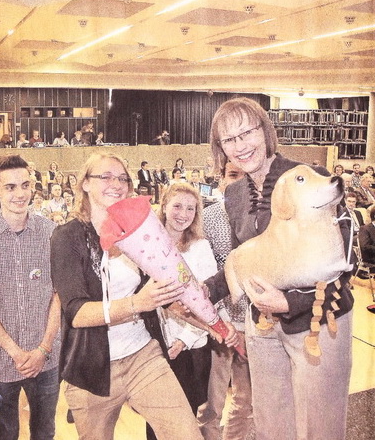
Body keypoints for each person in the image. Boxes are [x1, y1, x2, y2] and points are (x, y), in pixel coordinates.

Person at [206, 97, 353, 440]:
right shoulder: (234, 195)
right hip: (262, 325)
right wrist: (206, 290)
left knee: (320, 427)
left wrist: (290, 302)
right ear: (221, 148)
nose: (241, 146)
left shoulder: (309, 177)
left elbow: (346, 259)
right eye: (230, 139)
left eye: (247, 132)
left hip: (317, 321)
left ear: (265, 130)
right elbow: (245, 258)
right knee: (272, 424)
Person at [50, 152, 206, 440]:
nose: (116, 184)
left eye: (123, 178)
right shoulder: (67, 237)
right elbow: (76, 313)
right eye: (106, 176)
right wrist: (137, 304)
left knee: (187, 434)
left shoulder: (135, 230)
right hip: (91, 370)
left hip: (143, 357)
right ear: (85, 184)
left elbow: (161, 292)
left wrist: (210, 323)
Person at [0, 154, 61, 440]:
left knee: (45, 431)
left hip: (46, 357)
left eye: (25, 185)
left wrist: (43, 349)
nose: (20, 194)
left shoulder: (51, 232)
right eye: (10, 187)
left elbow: (59, 295)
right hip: (0, 358)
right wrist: (16, 352)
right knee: (6, 432)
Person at [146, 182, 223, 440]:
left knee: (184, 422)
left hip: (189, 349)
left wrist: (183, 339)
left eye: (191, 208)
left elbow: (209, 303)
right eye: (177, 206)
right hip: (153, 348)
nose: (183, 214)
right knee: (155, 420)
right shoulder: (147, 244)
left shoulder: (200, 247)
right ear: (164, 206)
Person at [196, 162, 253, 440]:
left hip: (255, 324)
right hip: (218, 326)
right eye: (233, 175)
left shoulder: (262, 220)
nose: (240, 182)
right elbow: (200, 275)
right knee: (211, 404)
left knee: (246, 403)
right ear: (220, 180)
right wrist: (219, 323)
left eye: (246, 176)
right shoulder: (207, 218)